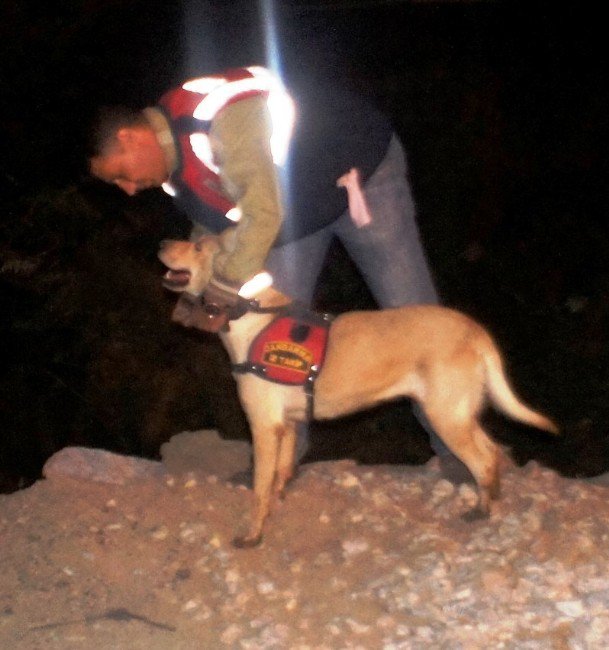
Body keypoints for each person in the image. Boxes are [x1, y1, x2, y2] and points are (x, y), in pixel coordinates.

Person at [87, 65, 467, 478]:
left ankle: (459, 450)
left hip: (358, 169)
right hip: (294, 208)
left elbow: (263, 214)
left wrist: (223, 288)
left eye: (120, 174)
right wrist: (197, 292)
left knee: (413, 310)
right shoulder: (178, 171)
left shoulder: (218, 120)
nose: (127, 188)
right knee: (271, 332)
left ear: (129, 137)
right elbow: (214, 234)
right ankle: (278, 461)